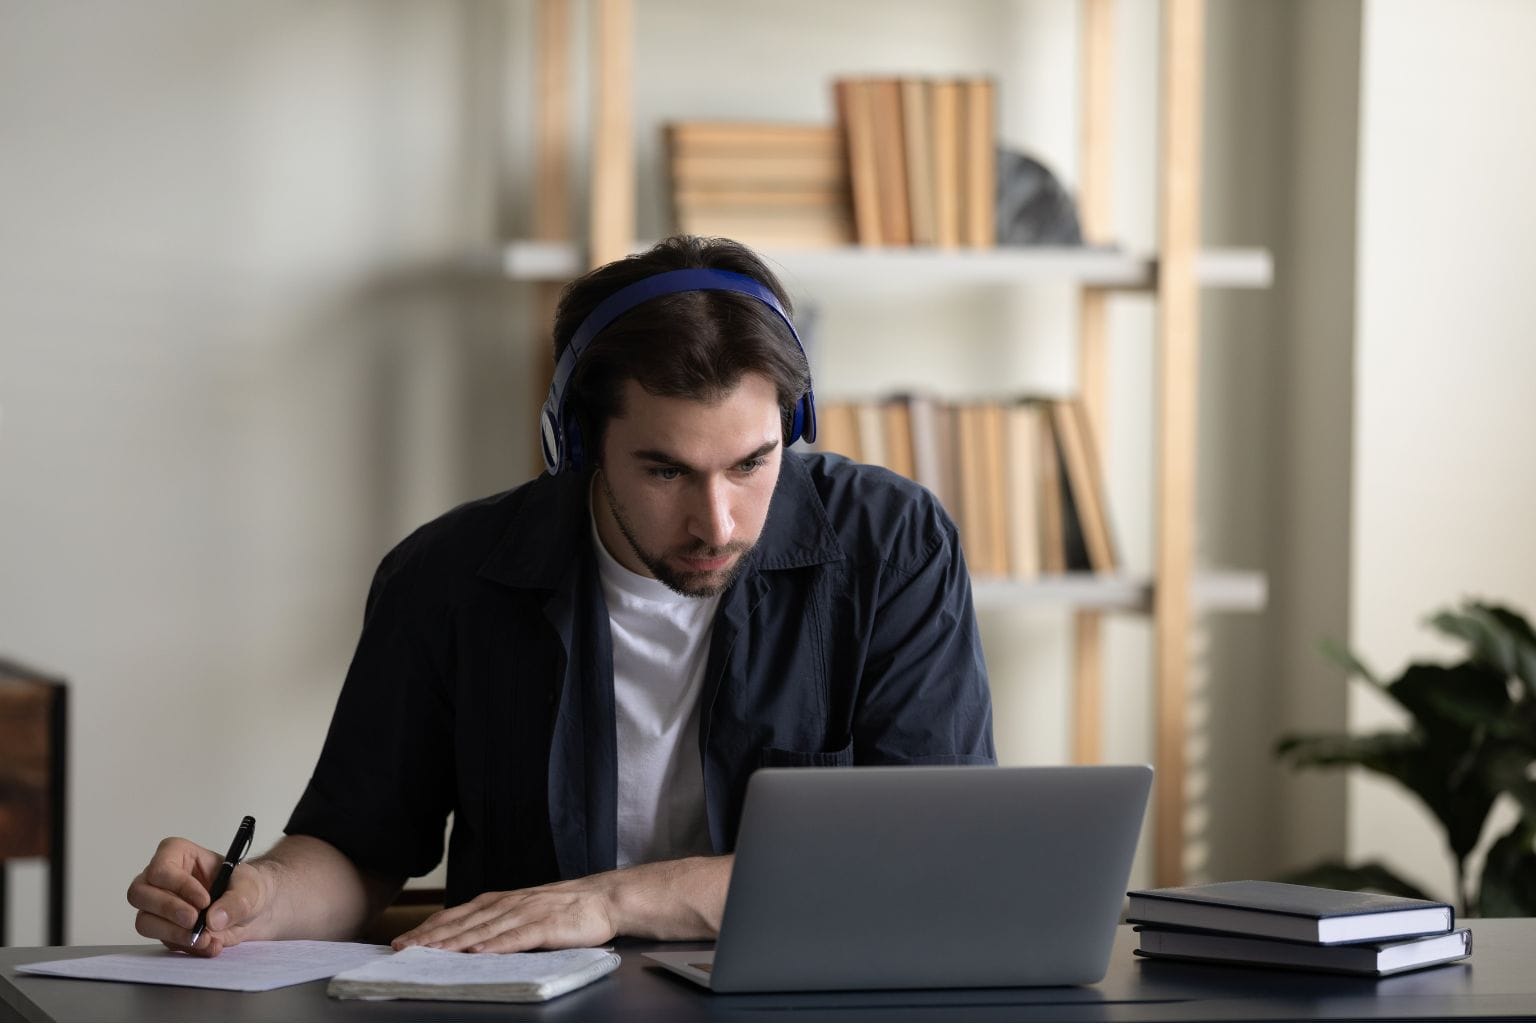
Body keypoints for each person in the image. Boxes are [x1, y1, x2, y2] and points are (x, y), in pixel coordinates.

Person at [126, 235, 994, 957]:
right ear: (576, 444)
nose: (717, 522)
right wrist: (256, 896)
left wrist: (612, 902)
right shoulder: (446, 575)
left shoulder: (893, 545)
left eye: (752, 463)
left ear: (793, 429)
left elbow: (929, 857)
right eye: (665, 470)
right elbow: (359, 850)